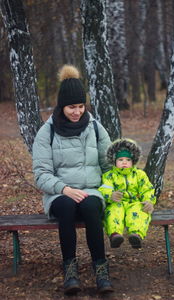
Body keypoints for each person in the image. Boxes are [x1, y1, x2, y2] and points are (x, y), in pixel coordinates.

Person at [32, 65, 114, 295]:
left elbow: (108, 166)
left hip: (92, 191)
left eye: (80, 106)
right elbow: (41, 173)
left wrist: (110, 186)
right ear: (61, 106)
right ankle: (70, 270)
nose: (77, 111)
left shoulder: (96, 128)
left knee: (90, 205)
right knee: (67, 206)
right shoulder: (46, 132)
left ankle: (101, 269)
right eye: (71, 107)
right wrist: (64, 189)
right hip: (60, 194)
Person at [99, 138, 156, 249]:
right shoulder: (109, 176)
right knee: (113, 212)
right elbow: (104, 189)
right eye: (120, 159)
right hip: (117, 203)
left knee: (140, 211)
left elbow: (147, 189)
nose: (124, 162)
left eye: (128, 160)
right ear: (114, 161)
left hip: (134, 202)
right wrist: (111, 195)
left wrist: (149, 201)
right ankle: (115, 235)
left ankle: (136, 235)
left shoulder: (139, 175)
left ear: (133, 161)